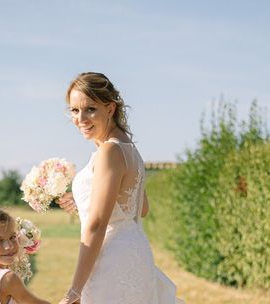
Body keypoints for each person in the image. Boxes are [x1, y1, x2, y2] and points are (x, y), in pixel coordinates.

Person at [57, 72, 184, 304]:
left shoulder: (109, 152)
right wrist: (86, 202)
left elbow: (96, 225)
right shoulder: (129, 149)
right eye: (74, 110)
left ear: (110, 108)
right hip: (135, 254)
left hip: (110, 259)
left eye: (90, 109)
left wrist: (75, 289)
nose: (80, 118)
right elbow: (140, 208)